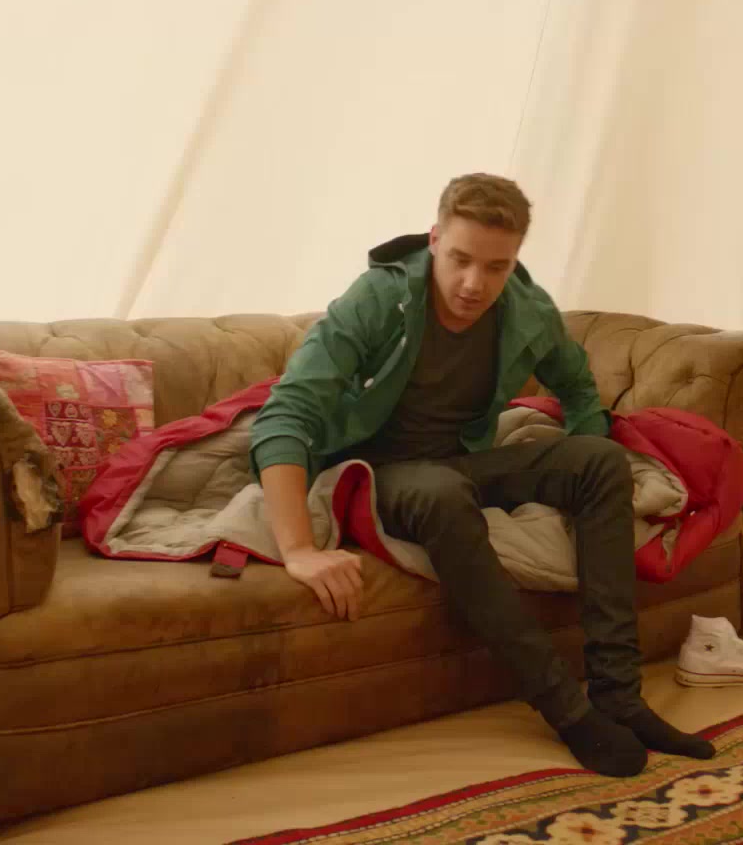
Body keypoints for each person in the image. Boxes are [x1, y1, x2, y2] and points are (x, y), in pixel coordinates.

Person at [247, 173, 714, 777]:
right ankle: (566, 709)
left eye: (497, 267)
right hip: (378, 472)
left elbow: (577, 388)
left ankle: (619, 694)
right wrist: (298, 549)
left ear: (515, 259)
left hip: (462, 460)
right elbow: (287, 412)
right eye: (461, 259)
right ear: (434, 240)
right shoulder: (379, 297)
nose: (474, 284)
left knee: (598, 462)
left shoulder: (527, 309)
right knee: (442, 492)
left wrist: (584, 450)